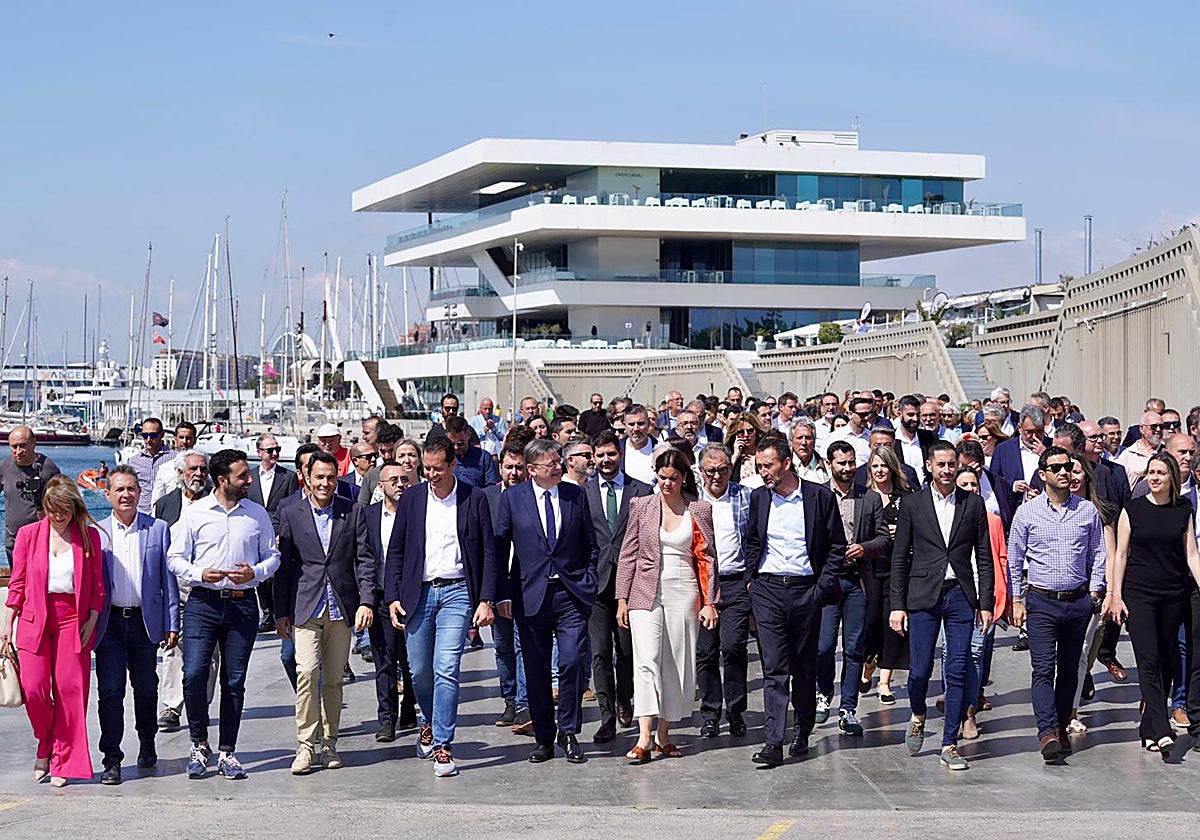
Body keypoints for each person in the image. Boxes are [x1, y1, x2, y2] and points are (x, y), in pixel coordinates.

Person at [385, 436, 498, 777]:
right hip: (417, 593)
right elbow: (396, 550)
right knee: (419, 670)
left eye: (438, 469)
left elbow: (488, 552)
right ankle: (430, 721)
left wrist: (485, 599)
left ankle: (443, 744)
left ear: (452, 465)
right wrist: (392, 596)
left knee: (446, 667)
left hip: (458, 592)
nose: (431, 475)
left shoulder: (473, 498)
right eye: (426, 469)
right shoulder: (413, 499)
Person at [166, 449, 280, 781]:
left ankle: (228, 751)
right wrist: (200, 574)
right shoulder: (195, 513)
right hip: (202, 603)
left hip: (243, 606)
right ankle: (199, 743)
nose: (249, 481)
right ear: (222, 480)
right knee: (194, 674)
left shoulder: (257, 514)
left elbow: (273, 556)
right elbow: (175, 558)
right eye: (242, 476)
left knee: (234, 680)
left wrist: (256, 573)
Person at [890, 440, 993, 771]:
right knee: (920, 670)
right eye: (941, 465)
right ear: (929, 466)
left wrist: (986, 602)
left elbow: (984, 556)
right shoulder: (913, 504)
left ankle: (950, 743)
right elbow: (899, 557)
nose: (947, 470)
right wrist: (897, 605)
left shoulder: (973, 503)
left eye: (952, 464)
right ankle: (918, 713)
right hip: (923, 596)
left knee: (957, 669)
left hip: (960, 595)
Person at [494, 437, 598, 764]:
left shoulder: (574, 495)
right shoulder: (513, 498)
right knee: (536, 668)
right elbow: (500, 549)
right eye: (550, 464)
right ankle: (543, 736)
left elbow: (590, 543)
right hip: (530, 595)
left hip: (570, 594)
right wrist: (502, 594)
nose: (557, 468)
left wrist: (589, 579)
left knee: (571, 662)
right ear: (532, 469)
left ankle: (568, 731)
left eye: (558, 462)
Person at [745, 436, 846, 767]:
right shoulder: (759, 497)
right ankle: (774, 741)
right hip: (768, 589)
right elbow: (753, 540)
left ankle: (802, 730)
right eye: (759, 466)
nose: (763, 472)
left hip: (806, 590)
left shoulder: (819, 496)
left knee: (804, 666)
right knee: (774, 667)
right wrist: (751, 581)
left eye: (768, 465)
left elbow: (836, 545)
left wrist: (820, 588)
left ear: (786, 463)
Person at [275, 450, 376, 775]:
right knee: (306, 674)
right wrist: (280, 613)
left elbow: (364, 559)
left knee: (333, 680)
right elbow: (284, 568)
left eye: (331, 477)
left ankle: (330, 743)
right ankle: (306, 745)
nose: (325, 483)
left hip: (341, 606)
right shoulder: (290, 512)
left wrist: (366, 601)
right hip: (305, 605)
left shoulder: (352, 510)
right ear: (306, 477)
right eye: (319, 477)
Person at [616, 448, 717, 763]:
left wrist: (710, 602)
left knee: (676, 663)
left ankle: (663, 735)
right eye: (662, 478)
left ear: (684, 478)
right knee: (647, 659)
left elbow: (708, 558)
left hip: (684, 591)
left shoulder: (699, 508)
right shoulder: (641, 505)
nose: (667, 483)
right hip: (644, 590)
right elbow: (628, 553)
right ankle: (643, 737)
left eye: (673, 478)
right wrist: (622, 598)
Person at [1, 476, 104, 787]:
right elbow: (17, 583)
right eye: (52, 509)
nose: (58, 516)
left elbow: (98, 586)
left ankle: (62, 759)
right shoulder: (28, 535)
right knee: (33, 688)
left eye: (64, 510)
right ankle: (45, 741)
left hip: (73, 620)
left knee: (70, 692)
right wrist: (7, 623)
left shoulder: (88, 536)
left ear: (74, 508)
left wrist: (92, 618)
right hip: (34, 618)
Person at [1005, 446, 1105, 761]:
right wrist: (1016, 600)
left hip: (1077, 602)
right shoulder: (1027, 512)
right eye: (1057, 468)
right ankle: (1046, 731)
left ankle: (1061, 726)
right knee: (1043, 668)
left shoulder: (1086, 510)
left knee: (1070, 670)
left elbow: (1098, 552)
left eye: (1068, 467)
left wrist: (1095, 592)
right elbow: (1014, 559)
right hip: (1041, 602)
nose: (1064, 473)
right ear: (1043, 474)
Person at [1106, 452, 1200, 753]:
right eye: (1151, 472)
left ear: (1172, 477)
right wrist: (1116, 595)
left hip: (1173, 594)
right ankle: (1161, 728)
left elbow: (1192, 555)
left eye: (1161, 472)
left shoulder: (1183, 509)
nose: (1155, 478)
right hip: (1139, 594)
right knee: (1148, 659)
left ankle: (1147, 729)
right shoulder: (1132, 509)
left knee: (1167, 661)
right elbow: (1120, 555)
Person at [94, 465, 179, 785]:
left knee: (145, 689)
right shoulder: (97, 533)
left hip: (145, 622)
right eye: (119, 489)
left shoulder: (158, 529)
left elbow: (168, 580)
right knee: (110, 690)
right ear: (108, 495)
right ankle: (112, 759)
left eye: (131, 488)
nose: (126, 494)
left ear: (140, 493)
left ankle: (147, 742)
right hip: (110, 624)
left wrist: (172, 622)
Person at [582, 430, 653, 744]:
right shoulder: (583, 494)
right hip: (596, 586)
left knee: (626, 650)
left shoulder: (642, 491)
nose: (606, 460)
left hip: (632, 584)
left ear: (620, 455)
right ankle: (606, 716)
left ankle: (625, 697)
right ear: (593, 458)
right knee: (599, 652)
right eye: (600, 455)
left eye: (611, 454)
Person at [815, 441, 889, 737]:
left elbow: (883, 539)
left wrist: (864, 548)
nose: (847, 468)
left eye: (851, 462)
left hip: (858, 581)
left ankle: (848, 708)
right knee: (823, 646)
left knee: (855, 646)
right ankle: (823, 693)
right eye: (841, 463)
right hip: (828, 580)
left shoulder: (870, 498)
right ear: (828, 464)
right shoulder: (818, 495)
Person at [694, 443, 753, 739]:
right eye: (710, 471)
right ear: (700, 471)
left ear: (731, 468)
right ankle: (710, 713)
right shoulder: (691, 501)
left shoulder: (745, 496)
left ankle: (736, 710)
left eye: (722, 470)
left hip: (735, 582)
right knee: (705, 652)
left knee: (733, 647)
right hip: (701, 585)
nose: (716, 476)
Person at [153, 451, 214, 732]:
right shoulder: (165, 505)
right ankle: (171, 705)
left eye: (203, 469)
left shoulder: (217, 501)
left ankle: (200, 704)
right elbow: (157, 544)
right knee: (173, 643)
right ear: (180, 473)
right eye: (193, 469)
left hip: (208, 584)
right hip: (175, 584)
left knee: (210, 651)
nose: (198, 474)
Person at [364, 458, 420, 741]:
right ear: (381, 485)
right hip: (381, 597)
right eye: (394, 480)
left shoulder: (419, 512)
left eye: (404, 479)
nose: (400, 485)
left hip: (413, 596)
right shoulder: (369, 516)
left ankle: (409, 706)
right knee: (385, 660)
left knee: (412, 660)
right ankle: (386, 719)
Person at [483, 441, 532, 733]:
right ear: (500, 467)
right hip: (496, 583)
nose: (514, 472)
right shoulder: (486, 497)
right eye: (509, 467)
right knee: (502, 647)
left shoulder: (532, 496)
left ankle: (525, 704)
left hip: (526, 583)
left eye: (519, 467)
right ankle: (511, 699)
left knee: (523, 645)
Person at [860, 445, 910, 704]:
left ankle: (884, 682)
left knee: (892, 626)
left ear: (893, 468)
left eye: (884, 465)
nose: (880, 470)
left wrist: (900, 531)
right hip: (869, 569)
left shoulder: (906, 498)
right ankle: (869, 664)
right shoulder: (863, 497)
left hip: (896, 569)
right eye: (875, 466)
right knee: (870, 625)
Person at [246, 434, 300, 633]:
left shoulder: (288, 476)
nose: (275, 453)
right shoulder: (250, 477)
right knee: (260, 573)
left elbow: (292, 505)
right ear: (259, 452)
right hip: (255, 530)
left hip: (278, 530)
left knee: (277, 573)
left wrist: (282, 531)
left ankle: (278, 613)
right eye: (270, 450)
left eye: (277, 450)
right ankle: (267, 612)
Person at [0, 425, 62, 564]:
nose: (18, 451)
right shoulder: (4, 467)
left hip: (41, 540)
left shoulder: (49, 469)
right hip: (13, 541)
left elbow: (62, 508)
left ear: (34, 443)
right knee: (17, 577)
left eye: (22, 446)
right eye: (14, 447)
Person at [126, 418, 175, 515]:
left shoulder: (174, 458)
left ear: (162, 435)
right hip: (141, 512)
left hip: (165, 512)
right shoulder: (133, 461)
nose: (148, 440)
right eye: (145, 436)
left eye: (153, 435)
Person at [444, 415, 500, 489]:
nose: (456, 447)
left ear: (469, 435)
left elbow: (491, 487)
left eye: (460, 443)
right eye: (452, 444)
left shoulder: (483, 457)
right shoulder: (443, 458)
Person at [150, 421, 198, 505]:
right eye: (181, 437)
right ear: (175, 439)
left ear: (195, 440)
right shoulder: (165, 469)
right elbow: (156, 500)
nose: (184, 441)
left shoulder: (203, 469)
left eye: (188, 438)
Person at [1116, 411, 1164, 488]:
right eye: (1154, 426)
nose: (1158, 429)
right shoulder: (1127, 455)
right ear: (1142, 429)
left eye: (1161, 426)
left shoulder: (1167, 451)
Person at [727, 412, 768, 486]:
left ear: (756, 431)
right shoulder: (730, 454)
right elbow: (724, 477)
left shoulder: (765, 452)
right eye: (741, 432)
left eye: (750, 431)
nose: (746, 435)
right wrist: (735, 455)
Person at [621, 404, 657, 486]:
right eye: (631, 424)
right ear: (624, 425)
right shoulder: (617, 449)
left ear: (649, 423)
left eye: (640, 424)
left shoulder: (660, 449)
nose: (636, 429)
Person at [790, 419, 829, 484]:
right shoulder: (784, 466)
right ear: (791, 442)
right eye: (799, 438)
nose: (804, 443)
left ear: (814, 442)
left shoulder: (826, 467)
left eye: (808, 438)